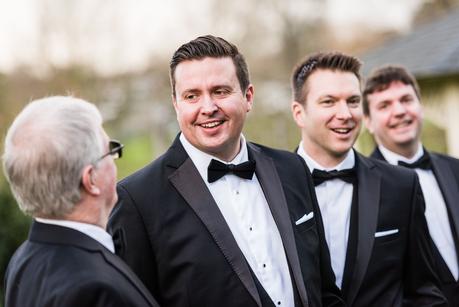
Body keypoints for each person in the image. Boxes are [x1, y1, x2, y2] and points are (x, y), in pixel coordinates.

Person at [108, 35, 344, 307]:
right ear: (176, 105)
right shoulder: (137, 200)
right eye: (192, 96)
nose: (208, 108)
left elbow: (326, 291)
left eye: (220, 91)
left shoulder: (292, 169)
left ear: (248, 97)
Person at [290, 52, 447, 306]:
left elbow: (424, 289)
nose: (345, 114)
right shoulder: (271, 186)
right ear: (299, 113)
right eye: (329, 102)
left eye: (353, 101)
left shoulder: (401, 185)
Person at [2, 96, 159, 307]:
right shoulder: (95, 288)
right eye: (110, 151)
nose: (115, 163)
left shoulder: (23, 258)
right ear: (91, 179)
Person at [363, 65, 459, 305]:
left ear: (420, 106)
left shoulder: (455, 169)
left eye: (406, 99)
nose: (399, 111)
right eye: (384, 105)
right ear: (368, 122)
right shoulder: (362, 189)